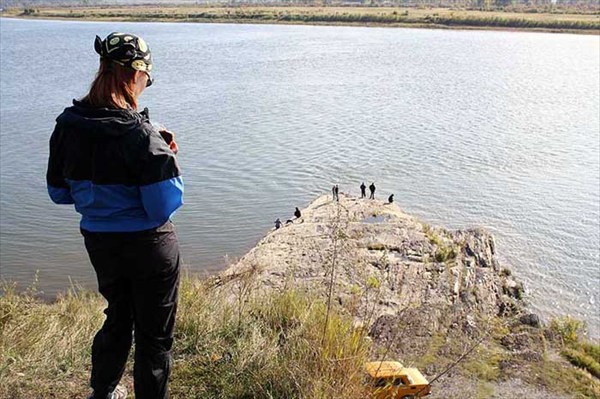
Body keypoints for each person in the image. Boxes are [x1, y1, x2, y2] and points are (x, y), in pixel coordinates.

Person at [46, 32, 183, 399]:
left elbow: (59, 193)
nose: (146, 86)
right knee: (154, 337)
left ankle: (102, 392)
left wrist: (102, 197)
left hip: (101, 242)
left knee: (118, 318)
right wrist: (168, 158)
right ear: (134, 75)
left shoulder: (67, 126)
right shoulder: (142, 136)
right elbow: (163, 206)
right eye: (146, 79)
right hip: (150, 246)